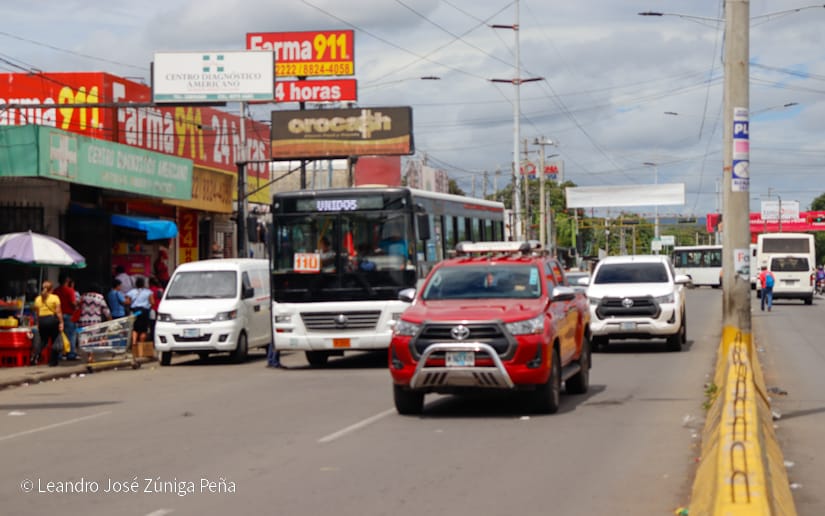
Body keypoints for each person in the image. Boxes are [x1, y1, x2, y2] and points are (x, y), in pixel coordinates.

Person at [32, 280, 63, 367]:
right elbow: (58, 312)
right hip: (52, 320)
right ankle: (53, 361)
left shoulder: (38, 299)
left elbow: (37, 313)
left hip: (42, 321)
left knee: (43, 341)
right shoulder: (55, 298)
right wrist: (61, 322)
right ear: (51, 289)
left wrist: (38, 323)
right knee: (55, 340)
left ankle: (35, 356)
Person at [53, 273, 79, 360]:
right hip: (68, 315)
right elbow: (73, 302)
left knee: (59, 335)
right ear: (67, 281)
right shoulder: (70, 290)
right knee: (71, 335)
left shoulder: (55, 291)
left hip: (58, 315)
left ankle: (59, 354)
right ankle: (71, 354)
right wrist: (76, 307)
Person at [125, 277, 156, 349]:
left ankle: (134, 344)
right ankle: (141, 346)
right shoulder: (148, 292)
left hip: (135, 312)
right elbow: (152, 302)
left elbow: (127, 302)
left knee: (135, 328)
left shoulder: (131, 292)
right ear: (143, 284)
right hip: (144, 312)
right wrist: (147, 305)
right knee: (143, 330)